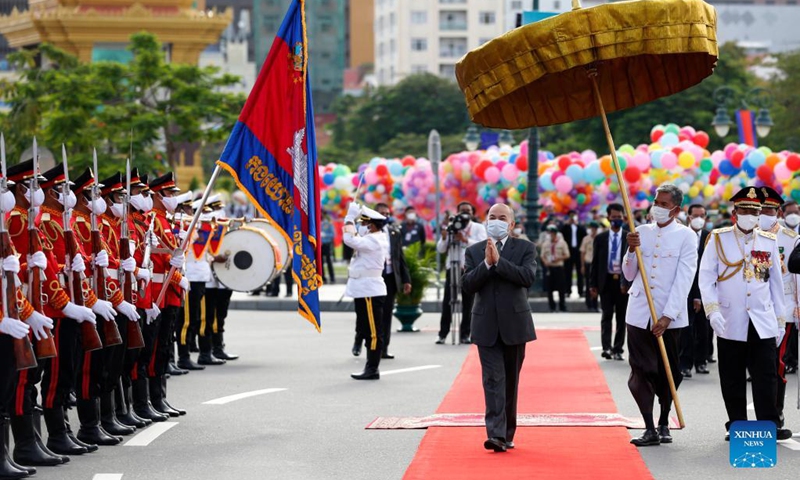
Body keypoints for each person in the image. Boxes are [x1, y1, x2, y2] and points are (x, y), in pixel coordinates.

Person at [699, 186, 792, 441]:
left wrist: (779, 320)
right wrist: (712, 310)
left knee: (766, 374)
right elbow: (706, 278)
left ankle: (769, 423)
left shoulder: (768, 241)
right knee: (732, 374)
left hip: (761, 318)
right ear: (734, 212)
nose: (749, 214)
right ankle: (737, 423)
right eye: (744, 210)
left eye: (754, 210)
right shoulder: (719, 239)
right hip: (729, 319)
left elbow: (774, 284)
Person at [624, 184, 697, 447]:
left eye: (664, 204)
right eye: (656, 201)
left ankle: (664, 420)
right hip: (639, 312)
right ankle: (648, 427)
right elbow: (630, 274)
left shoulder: (687, 237)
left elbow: (684, 278)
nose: (658, 207)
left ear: (676, 210)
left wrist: (668, 316)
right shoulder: (640, 231)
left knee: (669, 372)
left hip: (670, 317)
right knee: (641, 370)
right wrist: (631, 250)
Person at [462, 203, 536, 453]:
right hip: (485, 325)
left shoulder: (525, 248)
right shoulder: (473, 251)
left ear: (512, 224)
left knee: (510, 382)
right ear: (485, 221)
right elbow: (467, 284)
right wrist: (486, 264)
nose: (496, 221)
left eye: (502, 217)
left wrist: (499, 262)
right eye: (492, 217)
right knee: (493, 379)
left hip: (515, 324)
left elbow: (527, 278)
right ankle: (495, 435)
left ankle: (507, 432)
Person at [757, 186, 799, 428]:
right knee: (755, 366)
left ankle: (776, 414)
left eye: (769, 209)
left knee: (777, 364)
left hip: (782, 309)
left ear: (779, 212)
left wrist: (797, 307)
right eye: (761, 209)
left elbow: (796, 278)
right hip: (753, 309)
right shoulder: (748, 235)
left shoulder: (791, 239)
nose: (764, 213)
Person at [343, 203, 389, 380]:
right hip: (364, 289)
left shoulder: (374, 240)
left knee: (373, 332)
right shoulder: (373, 237)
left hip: (370, 290)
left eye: (365, 223)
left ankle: (372, 368)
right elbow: (354, 236)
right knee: (366, 328)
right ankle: (370, 367)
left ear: (372, 225)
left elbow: (349, 240)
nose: (362, 226)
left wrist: (349, 218)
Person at [436, 202, 487, 344]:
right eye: (462, 210)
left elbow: (482, 245)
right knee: (448, 302)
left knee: (468, 302)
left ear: (472, 212)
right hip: (453, 267)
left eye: (468, 210)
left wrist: (466, 239)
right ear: (457, 212)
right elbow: (440, 249)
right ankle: (442, 334)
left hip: (470, 269)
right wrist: (445, 237)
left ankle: (465, 334)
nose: (465, 212)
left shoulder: (478, 227)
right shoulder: (451, 226)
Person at [369, 203, 412, 359]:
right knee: (372, 316)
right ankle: (367, 344)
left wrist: (406, 279)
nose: (386, 216)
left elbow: (400, 257)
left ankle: (383, 348)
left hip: (390, 279)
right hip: (373, 278)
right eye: (382, 213)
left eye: (387, 213)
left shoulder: (394, 232)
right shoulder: (367, 231)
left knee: (386, 315)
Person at [589, 203, 629, 361]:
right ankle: (606, 347)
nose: (616, 220)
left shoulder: (628, 236)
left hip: (622, 283)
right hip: (605, 282)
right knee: (606, 315)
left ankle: (618, 348)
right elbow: (595, 263)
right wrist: (593, 285)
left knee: (621, 317)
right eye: (614, 217)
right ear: (608, 218)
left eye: (619, 217)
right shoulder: (600, 238)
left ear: (623, 218)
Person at [680, 204, 711, 378]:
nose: (699, 219)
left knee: (704, 330)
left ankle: (701, 361)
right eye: (695, 215)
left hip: (705, 291)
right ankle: (685, 364)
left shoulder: (710, 238)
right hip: (686, 290)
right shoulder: (683, 235)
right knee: (686, 330)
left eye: (702, 215)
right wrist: (692, 295)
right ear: (689, 217)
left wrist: (701, 295)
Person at [780, 200, 800, 374]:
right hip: (784, 294)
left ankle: (791, 360)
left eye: (796, 212)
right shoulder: (778, 235)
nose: (794, 216)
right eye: (790, 212)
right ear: (782, 214)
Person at [540, 225, 570, 312]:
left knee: (561, 288)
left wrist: (559, 258)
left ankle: (562, 306)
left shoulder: (562, 243)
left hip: (558, 267)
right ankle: (552, 307)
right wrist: (545, 261)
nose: (551, 235)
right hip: (550, 268)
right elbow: (542, 255)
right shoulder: (546, 244)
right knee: (550, 288)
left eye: (552, 233)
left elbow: (567, 255)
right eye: (550, 233)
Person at [560, 210, 586, 298]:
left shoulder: (579, 227)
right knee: (567, 272)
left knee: (580, 272)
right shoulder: (565, 227)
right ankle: (568, 291)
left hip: (578, 251)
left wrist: (577, 224)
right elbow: (561, 233)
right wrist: (567, 224)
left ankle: (580, 291)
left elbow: (584, 235)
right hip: (569, 251)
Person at [580, 221, 600, 312]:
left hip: (597, 264)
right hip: (588, 263)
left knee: (597, 285)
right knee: (588, 284)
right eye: (591, 228)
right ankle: (589, 305)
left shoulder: (600, 237)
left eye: (594, 228)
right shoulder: (586, 239)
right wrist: (582, 266)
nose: (593, 230)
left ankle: (595, 305)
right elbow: (582, 252)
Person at [320, 213, 336, 284]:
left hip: (327, 244)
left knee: (329, 261)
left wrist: (325, 235)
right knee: (321, 262)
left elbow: (332, 234)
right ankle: (323, 278)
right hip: (321, 245)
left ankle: (332, 278)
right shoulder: (319, 224)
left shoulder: (329, 224)